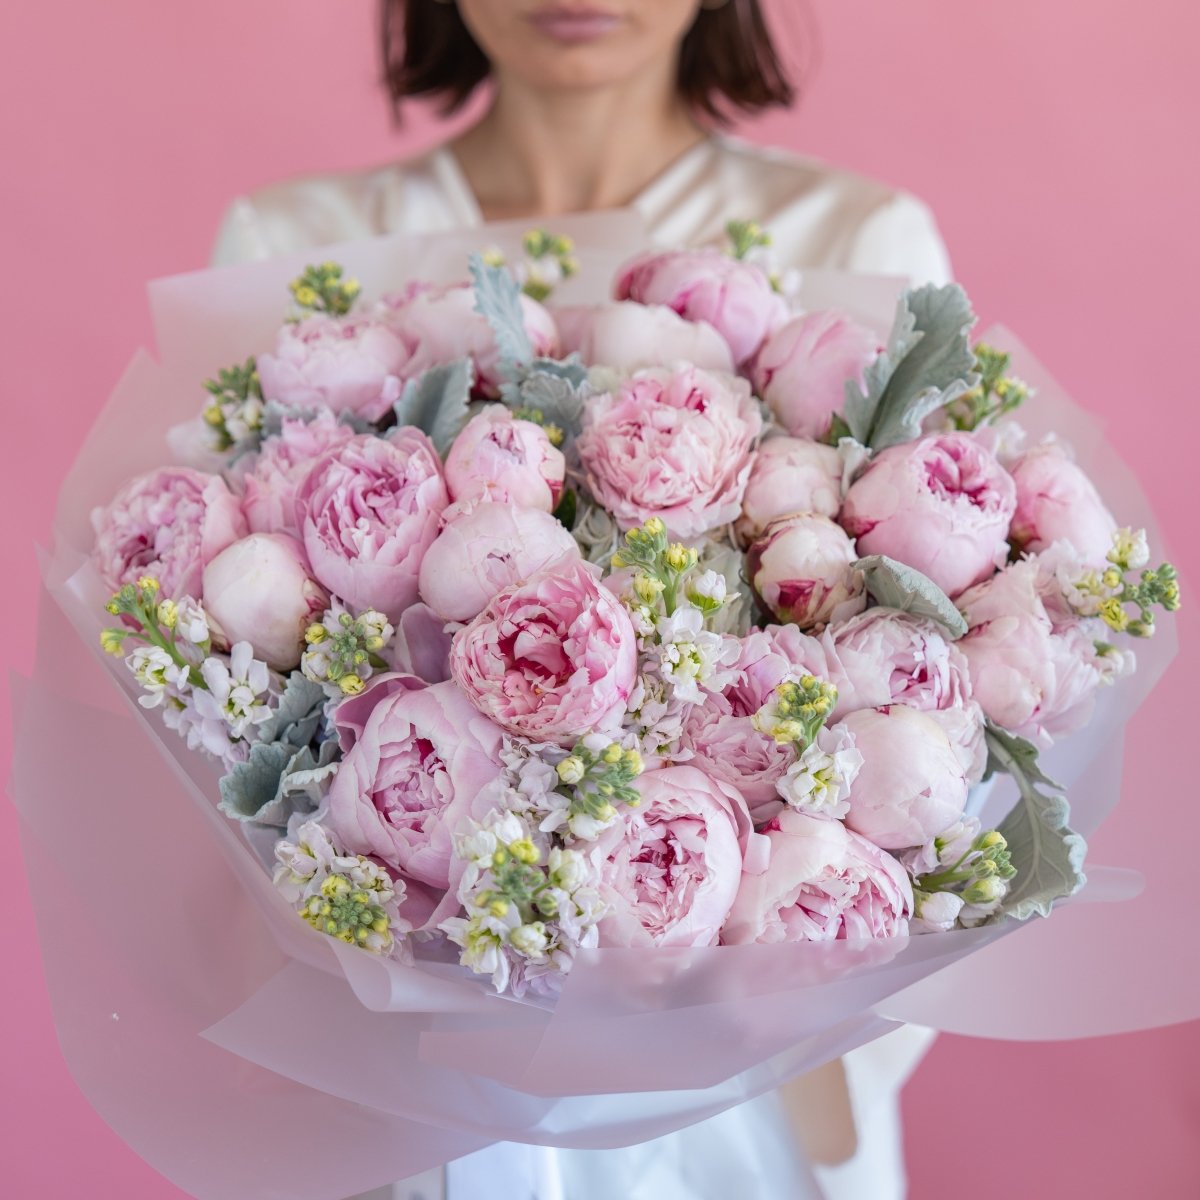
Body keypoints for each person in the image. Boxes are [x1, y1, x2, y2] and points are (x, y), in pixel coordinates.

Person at [211, 3, 949, 1197]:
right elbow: (216, 737)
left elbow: (942, 759)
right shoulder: (297, 242)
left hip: (749, 1119)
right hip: (405, 1099)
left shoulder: (855, 240)